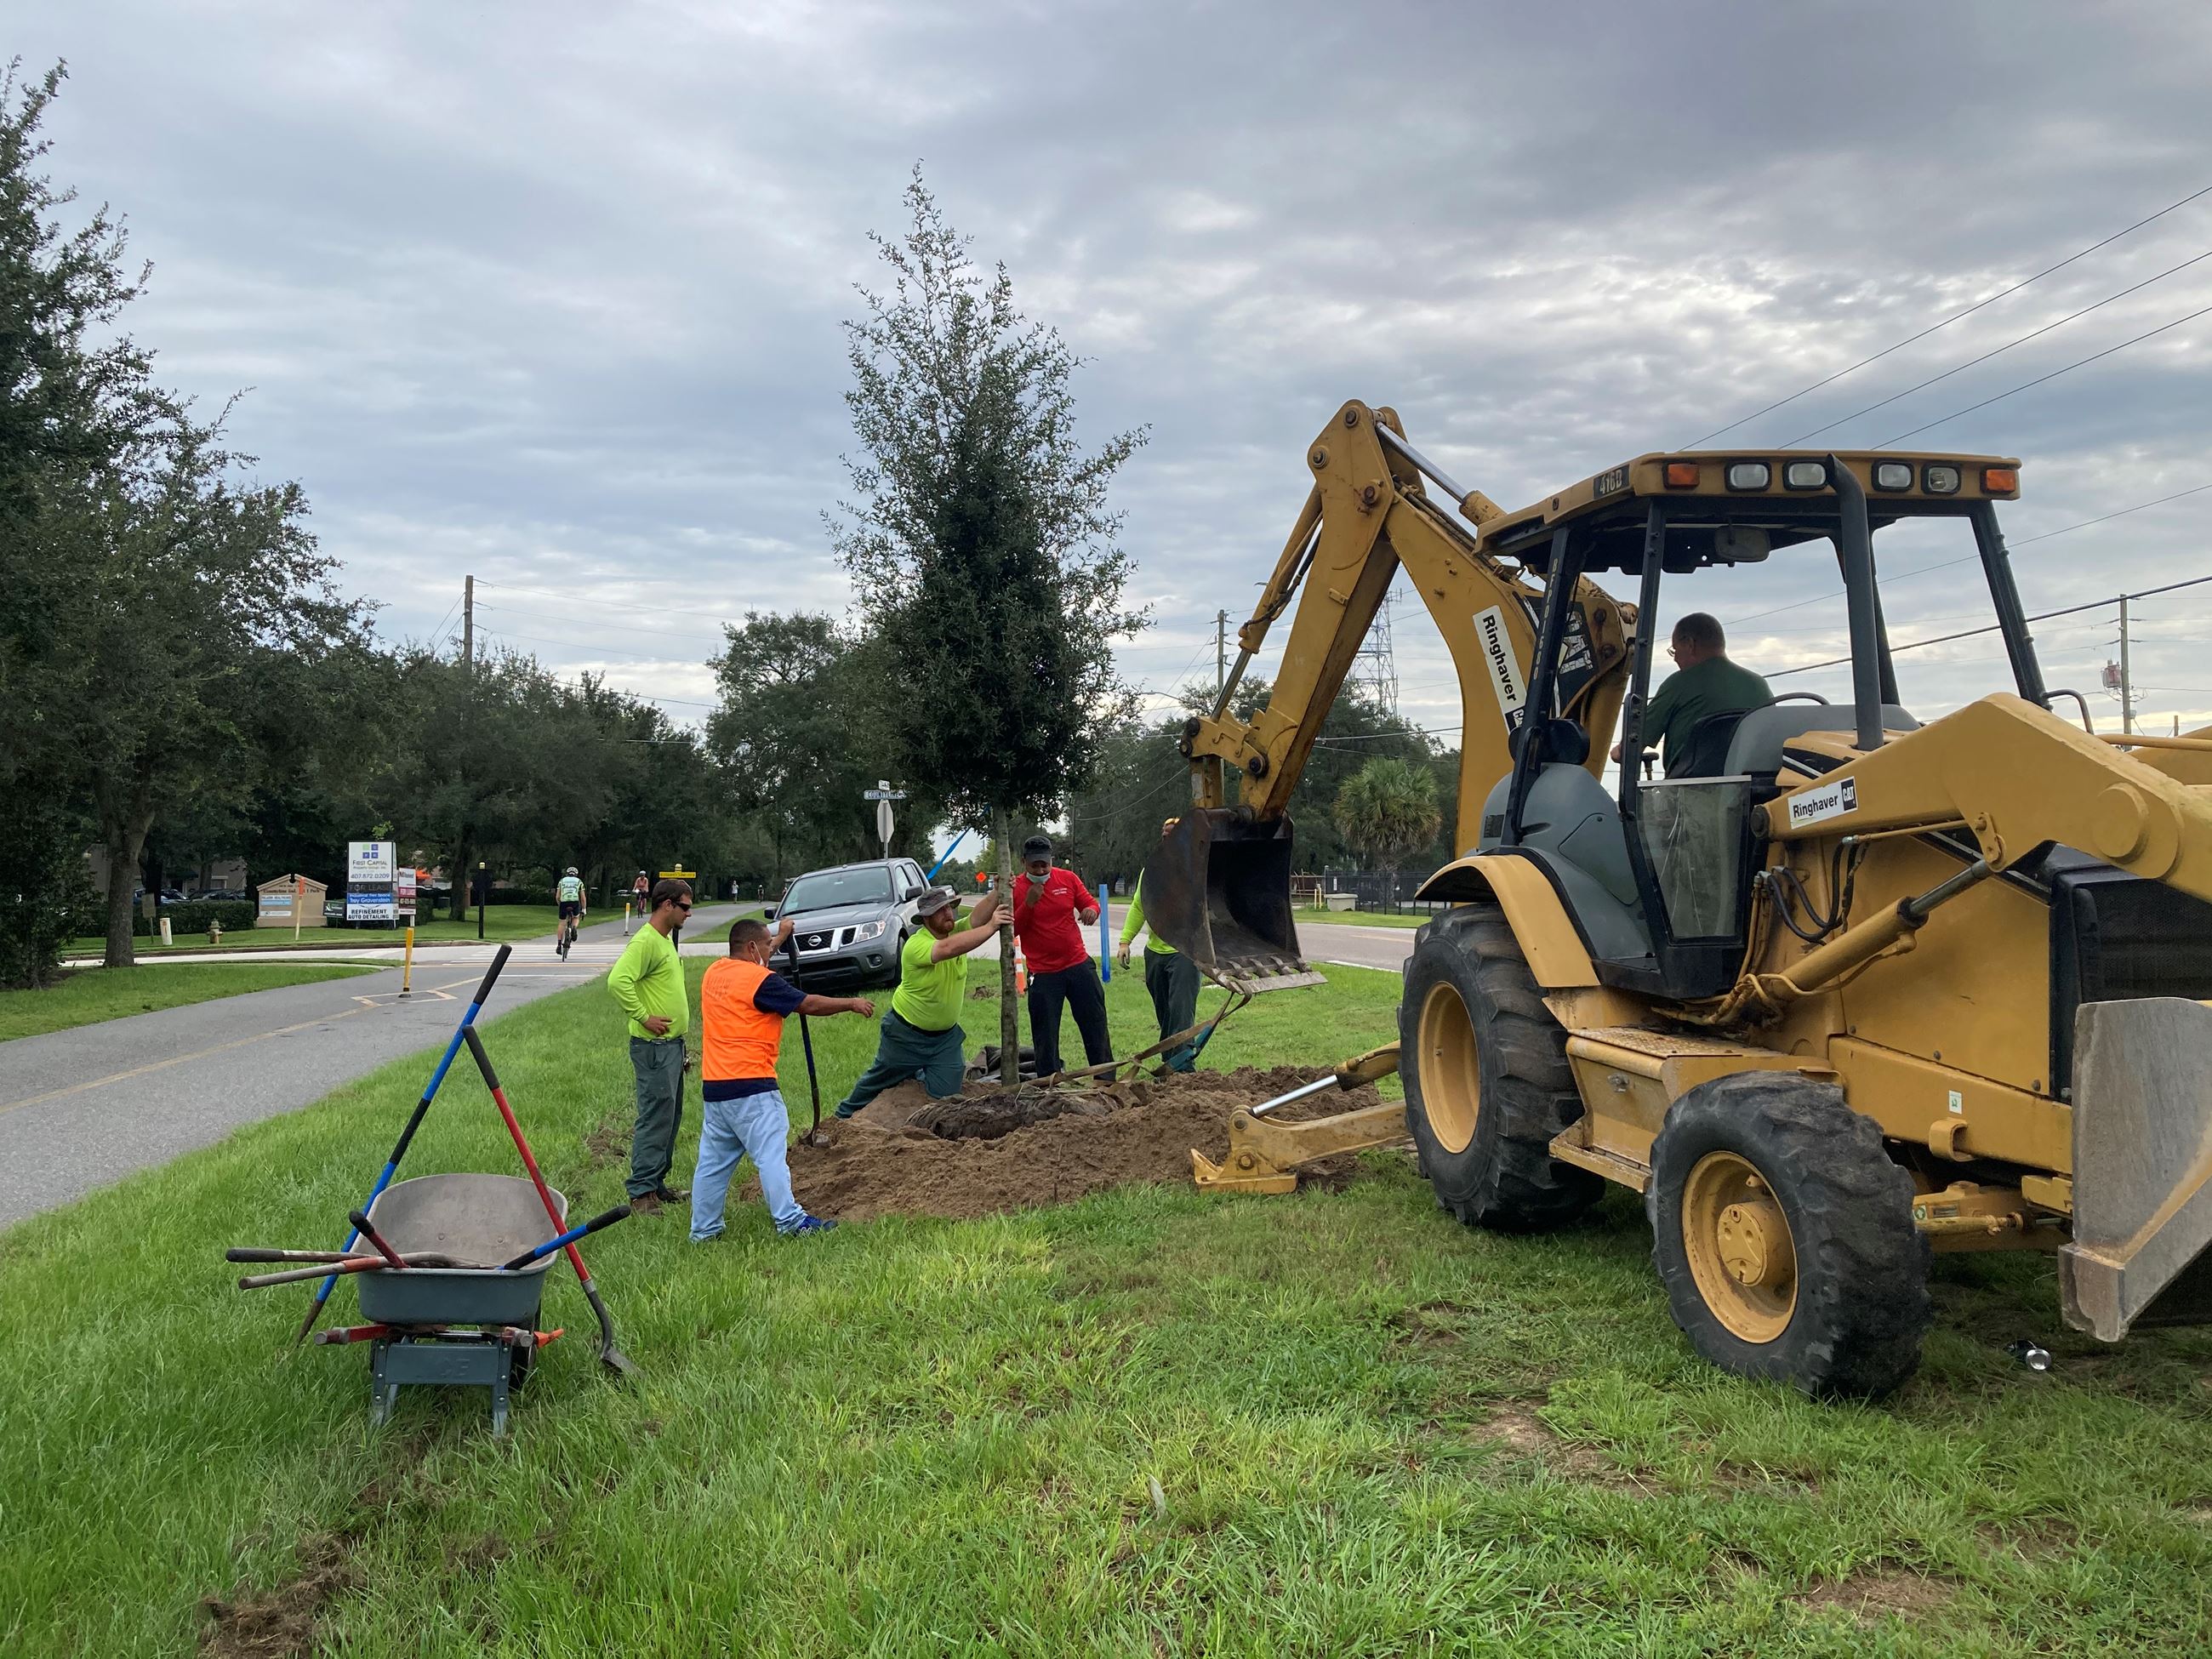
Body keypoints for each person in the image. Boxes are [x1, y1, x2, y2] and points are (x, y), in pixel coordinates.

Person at [691, 915, 874, 1242]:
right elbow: (808, 1003)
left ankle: (704, 1231)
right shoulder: (761, 981)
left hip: (716, 1088)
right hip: (753, 1088)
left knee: (712, 1164)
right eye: (766, 946)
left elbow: (757, 953)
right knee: (771, 1156)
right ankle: (790, 1221)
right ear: (750, 947)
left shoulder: (715, 973)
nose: (770, 953)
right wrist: (851, 1003)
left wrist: (781, 935)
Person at [834, 883, 1003, 1117]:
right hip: (906, 1035)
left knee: (947, 1094)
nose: (948, 914)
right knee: (879, 1079)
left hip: (945, 1039)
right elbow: (946, 949)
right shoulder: (916, 944)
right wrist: (992, 927)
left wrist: (998, 892)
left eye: (950, 908)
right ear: (925, 919)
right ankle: (841, 1116)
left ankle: (920, 1071)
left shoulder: (954, 931)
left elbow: (975, 919)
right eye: (940, 911)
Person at [607, 877, 693, 1214]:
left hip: (671, 1047)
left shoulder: (664, 941)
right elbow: (618, 981)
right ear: (667, 905)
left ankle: (657, 1184)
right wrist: (644, 1017)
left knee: (669, 1117)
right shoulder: (646, 941)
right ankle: (642, 1193)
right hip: (654, 1048)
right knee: (656, 1117)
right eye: (684, 907)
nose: (689, 913)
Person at [1610, 612, 1772, 778]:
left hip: (1688, 794)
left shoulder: (1678, 684)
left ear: (1689, 644)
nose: (1675, 659)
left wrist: (1617, 752)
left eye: (1675, 650)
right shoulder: (1760, 685)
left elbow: (1632, 746)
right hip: (1752, 793)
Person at [1010, 834, 1110, 1078]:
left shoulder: (1067, 878)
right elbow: (1013, 930)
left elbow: (1091, 903)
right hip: (1043, 974)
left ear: (1051, 860)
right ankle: (1049, 1085)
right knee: (1045, 1035)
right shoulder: (1016, 889)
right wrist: (1029, 903)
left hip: (1078, 965)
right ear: (1024, 862)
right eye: (1035, 865)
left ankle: (1105, 1081)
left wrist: (1090, 910)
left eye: (1045, 864)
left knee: (1095, 1025)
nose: (1041, 869)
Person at [1116, 821, 1200, 1073]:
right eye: (1164, 835)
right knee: (1164, 1012)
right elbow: (1139, 906)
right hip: (1155, 954)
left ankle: (1184, 1067)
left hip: (1184, 953)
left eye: (1173, 836)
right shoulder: (1150, 871)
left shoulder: (1195, 870)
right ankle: (1169, 1062)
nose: (1167, 840)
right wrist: (1124, 941)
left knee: (1181, 1013)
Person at [555, 866, 585, 955]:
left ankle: (559, 944)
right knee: (576, 917)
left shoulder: (562, 881)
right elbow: (583, 898)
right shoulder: (579, 881)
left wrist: (559, 904)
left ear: (567, 874)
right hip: (575, 902)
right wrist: (584, 909)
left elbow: (557, 896)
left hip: (564, 902)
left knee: (562, 923)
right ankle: (574, 928)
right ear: (576, 874)